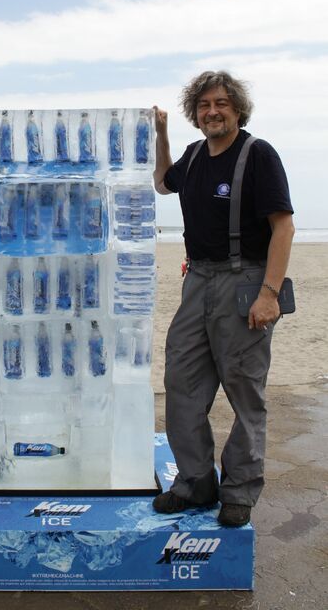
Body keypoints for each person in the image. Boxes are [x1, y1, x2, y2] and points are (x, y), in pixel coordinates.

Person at [152, 71, 294, 527]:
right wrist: (161, 135)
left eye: (222, 103)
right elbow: (161, 183)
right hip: (196, 280)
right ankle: (195, 483)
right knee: (182, 384)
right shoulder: (193, 156)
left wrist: (269, 293)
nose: (213, 111)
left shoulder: (258, 155)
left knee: (244, 390)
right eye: (204, 105)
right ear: (196, 113)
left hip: (244, 280)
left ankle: (240, 490)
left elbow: (283, 226)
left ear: (237, 109)